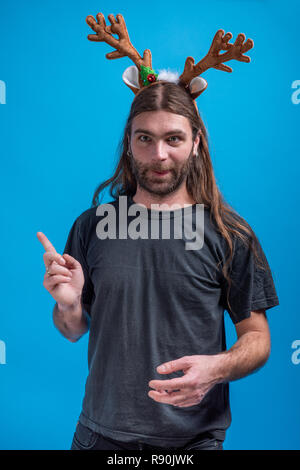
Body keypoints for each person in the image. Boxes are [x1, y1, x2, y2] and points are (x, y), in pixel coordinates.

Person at [37, 14, 279, 450]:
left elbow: (257, 339)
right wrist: (69, 305)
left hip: (191, 443)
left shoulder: (230, 234)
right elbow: (73, 330)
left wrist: (218, 368)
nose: (159, 154)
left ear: (196, 143)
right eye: (144, 139)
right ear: (128, 142)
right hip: (98, 436)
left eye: (173, 138)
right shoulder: (91, 226)